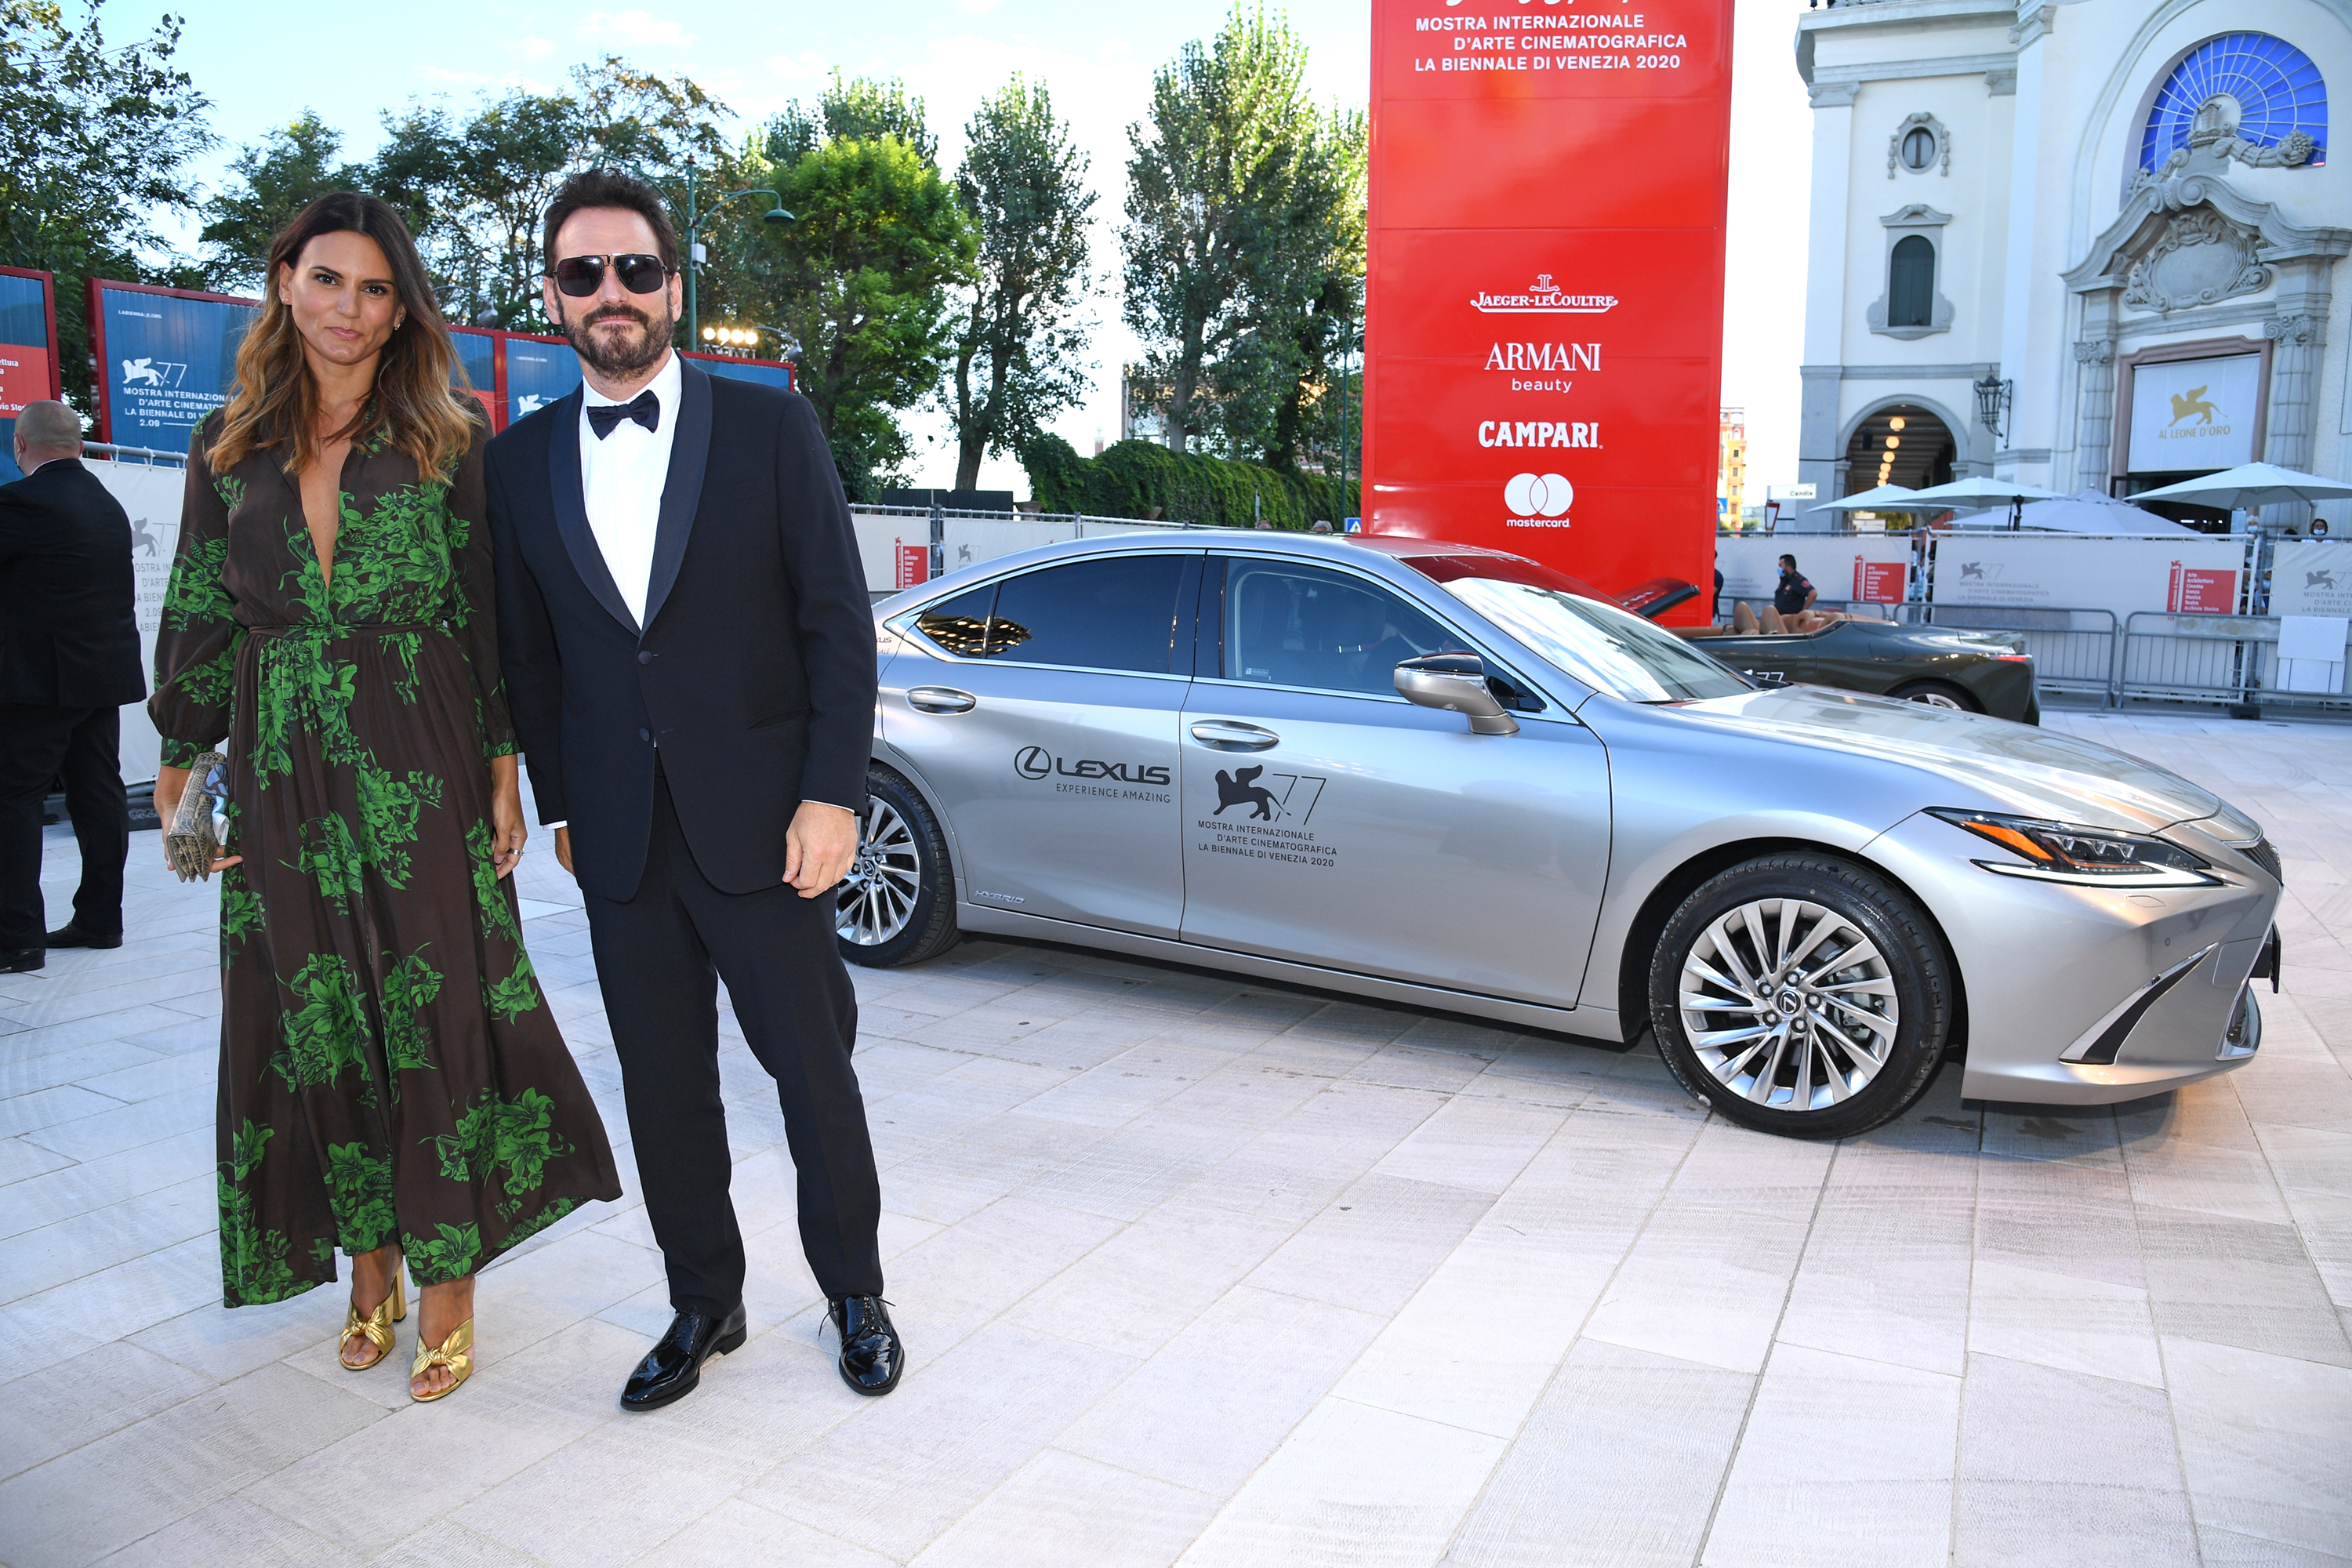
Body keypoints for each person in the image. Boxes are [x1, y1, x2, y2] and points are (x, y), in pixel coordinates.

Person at [151, 192, 619, 1403]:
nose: (349, 309)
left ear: (401, 307)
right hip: (278, 766)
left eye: (374, 288)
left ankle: (449, 1278)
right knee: (315, 1020)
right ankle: (371, 1271)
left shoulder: (448, 437)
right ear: (285, 282)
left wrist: (506, 768)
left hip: (421, 755)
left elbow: (484, 614)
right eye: (327, 280)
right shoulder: (226, 444)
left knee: (437, 1015)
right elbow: (200, 603)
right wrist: (184, 771)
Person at [485, 169, 901, 1411]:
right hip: (620, 838)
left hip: (769, 826)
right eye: (583, 272)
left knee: (811, 1072)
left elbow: (838, 625)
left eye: (635, 269)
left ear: (674, 286)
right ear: (552, 297)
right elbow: (530, 658)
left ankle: (856, 1292)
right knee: (664, 1089)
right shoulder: (514, 465)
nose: (610, 292)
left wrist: (832, 795)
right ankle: (703, 1300)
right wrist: (564, 805)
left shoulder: (772, 428)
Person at [0, 400, 143, 971]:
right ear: (79, 445)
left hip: (38, 683)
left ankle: (16, 939)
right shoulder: (107, 504)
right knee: (98, 793)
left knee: (13, 799)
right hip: (101, 678)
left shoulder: (21, 502)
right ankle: (101, 919)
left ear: (20, 445)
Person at [1773, 554, 1816, 619]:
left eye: (1780, 565)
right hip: (1780, 618)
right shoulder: (1785, 580)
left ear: (1789, 567)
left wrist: (1804, 610)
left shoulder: (1798, 580)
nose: (1779, 568)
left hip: (1792, 619)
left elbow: (1813, 593)